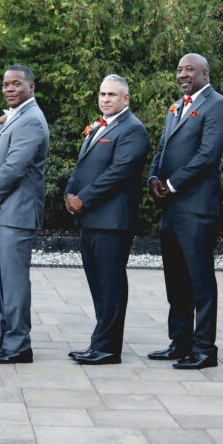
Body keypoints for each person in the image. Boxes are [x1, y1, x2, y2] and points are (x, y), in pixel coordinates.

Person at [147, 53, 223, 369]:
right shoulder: (176, 107)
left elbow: (208, 154)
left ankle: (204, 350)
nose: (182, 74)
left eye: (189, 70)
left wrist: (172, 183)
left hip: (197, 208)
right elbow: (162, 148)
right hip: (171, 208)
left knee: (200, 282)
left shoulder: (217, 105)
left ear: (205, 74)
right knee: (176, 281)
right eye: (179, 69)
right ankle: (179, 343)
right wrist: (154, 178)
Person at [64, 75, 150, 365]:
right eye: (102, 93)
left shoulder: (133, 129)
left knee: (110, 286)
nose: (105, 99)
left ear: (126, 99)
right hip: (91, 220)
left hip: (112, 222)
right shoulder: (100, 126)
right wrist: (69, 193)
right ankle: (98, 342)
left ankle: (109, 349)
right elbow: (82, 167)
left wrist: (83, 198)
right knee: (97, 285)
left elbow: (118, 172)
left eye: (112, 94)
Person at [0, 65, 50, 364]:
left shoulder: (31, 120)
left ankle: (19, 346)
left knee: (15, 281)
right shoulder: (13, 117)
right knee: (6, 280)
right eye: (5, 84)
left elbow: (14, 168)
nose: (8, 89)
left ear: (31, 87)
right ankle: (7, 336)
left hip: (15, 212)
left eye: (16, 84)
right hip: (5, 212)